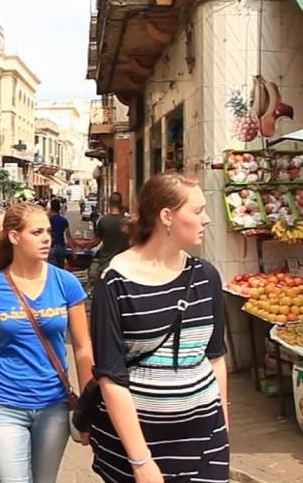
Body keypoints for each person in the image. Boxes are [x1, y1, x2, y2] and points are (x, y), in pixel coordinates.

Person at [89, 173, 229, 483]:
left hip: (205, 437)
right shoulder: (114, 283)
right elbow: (111, 377)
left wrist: (224, 432)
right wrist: (141, 461)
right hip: (139, 444)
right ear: (167, 216)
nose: (206, 219)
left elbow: (215, 358)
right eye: (197, 211)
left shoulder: (206, 276)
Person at [0, 202, 93, 483]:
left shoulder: (66, 283)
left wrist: (87, 408)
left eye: (47, 231)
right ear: (14, 237)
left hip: (53, 405)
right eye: (36, 232)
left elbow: (82, 348)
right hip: (4, 404)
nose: (47, 238)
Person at [88, 193, 131, 290]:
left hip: (106, 264)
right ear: (121, 204)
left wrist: (86, 244)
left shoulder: (103, 220)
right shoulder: (126, 222)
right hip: (123, 264)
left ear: (109, 204)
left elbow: (96, 242)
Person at [47, 199, 75, 269]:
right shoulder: (63, 220)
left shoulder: (47, 220)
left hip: (51, 247)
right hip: (61, 248)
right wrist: (73, 249)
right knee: (60, 269)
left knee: (52, 270)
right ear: (59, 208)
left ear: (51, 208)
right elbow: (68, 236)